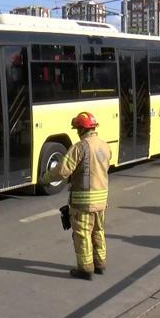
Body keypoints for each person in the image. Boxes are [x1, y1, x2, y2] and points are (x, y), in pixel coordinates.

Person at [41, 112, 111, 281]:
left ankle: (86, 269)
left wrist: (45, 178)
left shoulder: (80, 147)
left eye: (77, 129)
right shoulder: (105, 146)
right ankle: (100, 264)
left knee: (82, 234)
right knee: (98, 231)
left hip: (84, 202)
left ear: (81, 129)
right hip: (102, 200)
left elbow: (63, 170)